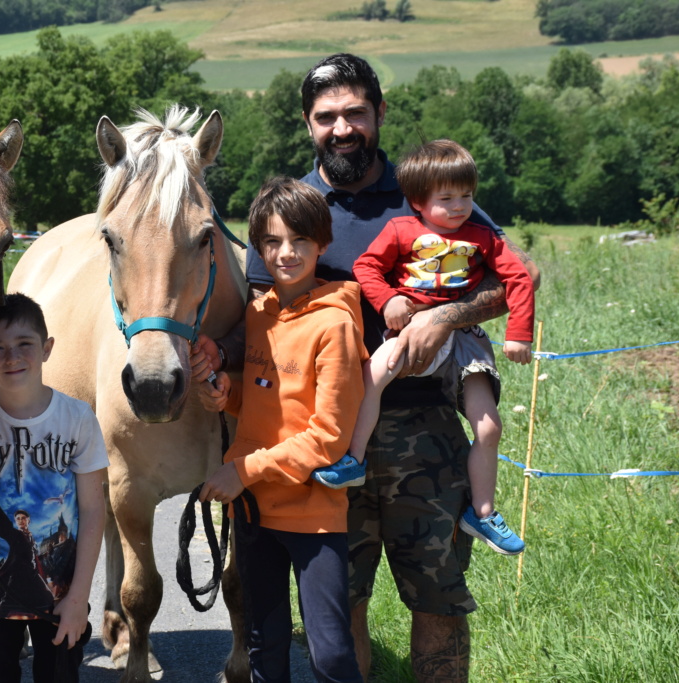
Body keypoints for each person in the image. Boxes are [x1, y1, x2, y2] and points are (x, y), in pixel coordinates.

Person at [192, 53, 540, 682]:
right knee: (339, 607)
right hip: (322, 446)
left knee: (438, 601)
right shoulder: (291, 211)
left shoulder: (424, 194)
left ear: (379, 113)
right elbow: (261, 327)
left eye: (355, 112)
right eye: (327, 117)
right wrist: (222, 356)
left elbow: (504, 283)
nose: (342, 127)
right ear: (308, 125)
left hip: (425, 431)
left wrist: (445, 319)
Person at [314, 139, 532, 556]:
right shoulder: (401, 230)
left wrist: (519, 333)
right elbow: (367, 267)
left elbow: (519, 278)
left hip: (463, 338)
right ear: (417, 201)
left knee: (489, 427)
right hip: (407, 331)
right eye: (446, 198)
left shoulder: (483, 237)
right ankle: (353, 461)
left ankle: (482, 513)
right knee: (371, 379)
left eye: (466, 196)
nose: (459, 207)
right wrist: (389, 300)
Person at [197, 176, 366, 683]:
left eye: (299, 241)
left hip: (312, 514)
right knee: (263, 645)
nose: (285, 253)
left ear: (323, 243)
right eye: (271, 241)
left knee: (331, 652)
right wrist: (227, 394)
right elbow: (264, 394)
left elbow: (328, 435)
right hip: (253, 511)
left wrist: (242, 471)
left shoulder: (335, 324)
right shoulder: (258, 314)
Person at [0, 293, 108, 683]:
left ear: (46, 349)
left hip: (60, 595)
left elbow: (95, 509)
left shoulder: (77, 418)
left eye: (24, 344)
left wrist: (79, 598)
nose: (11, 357)